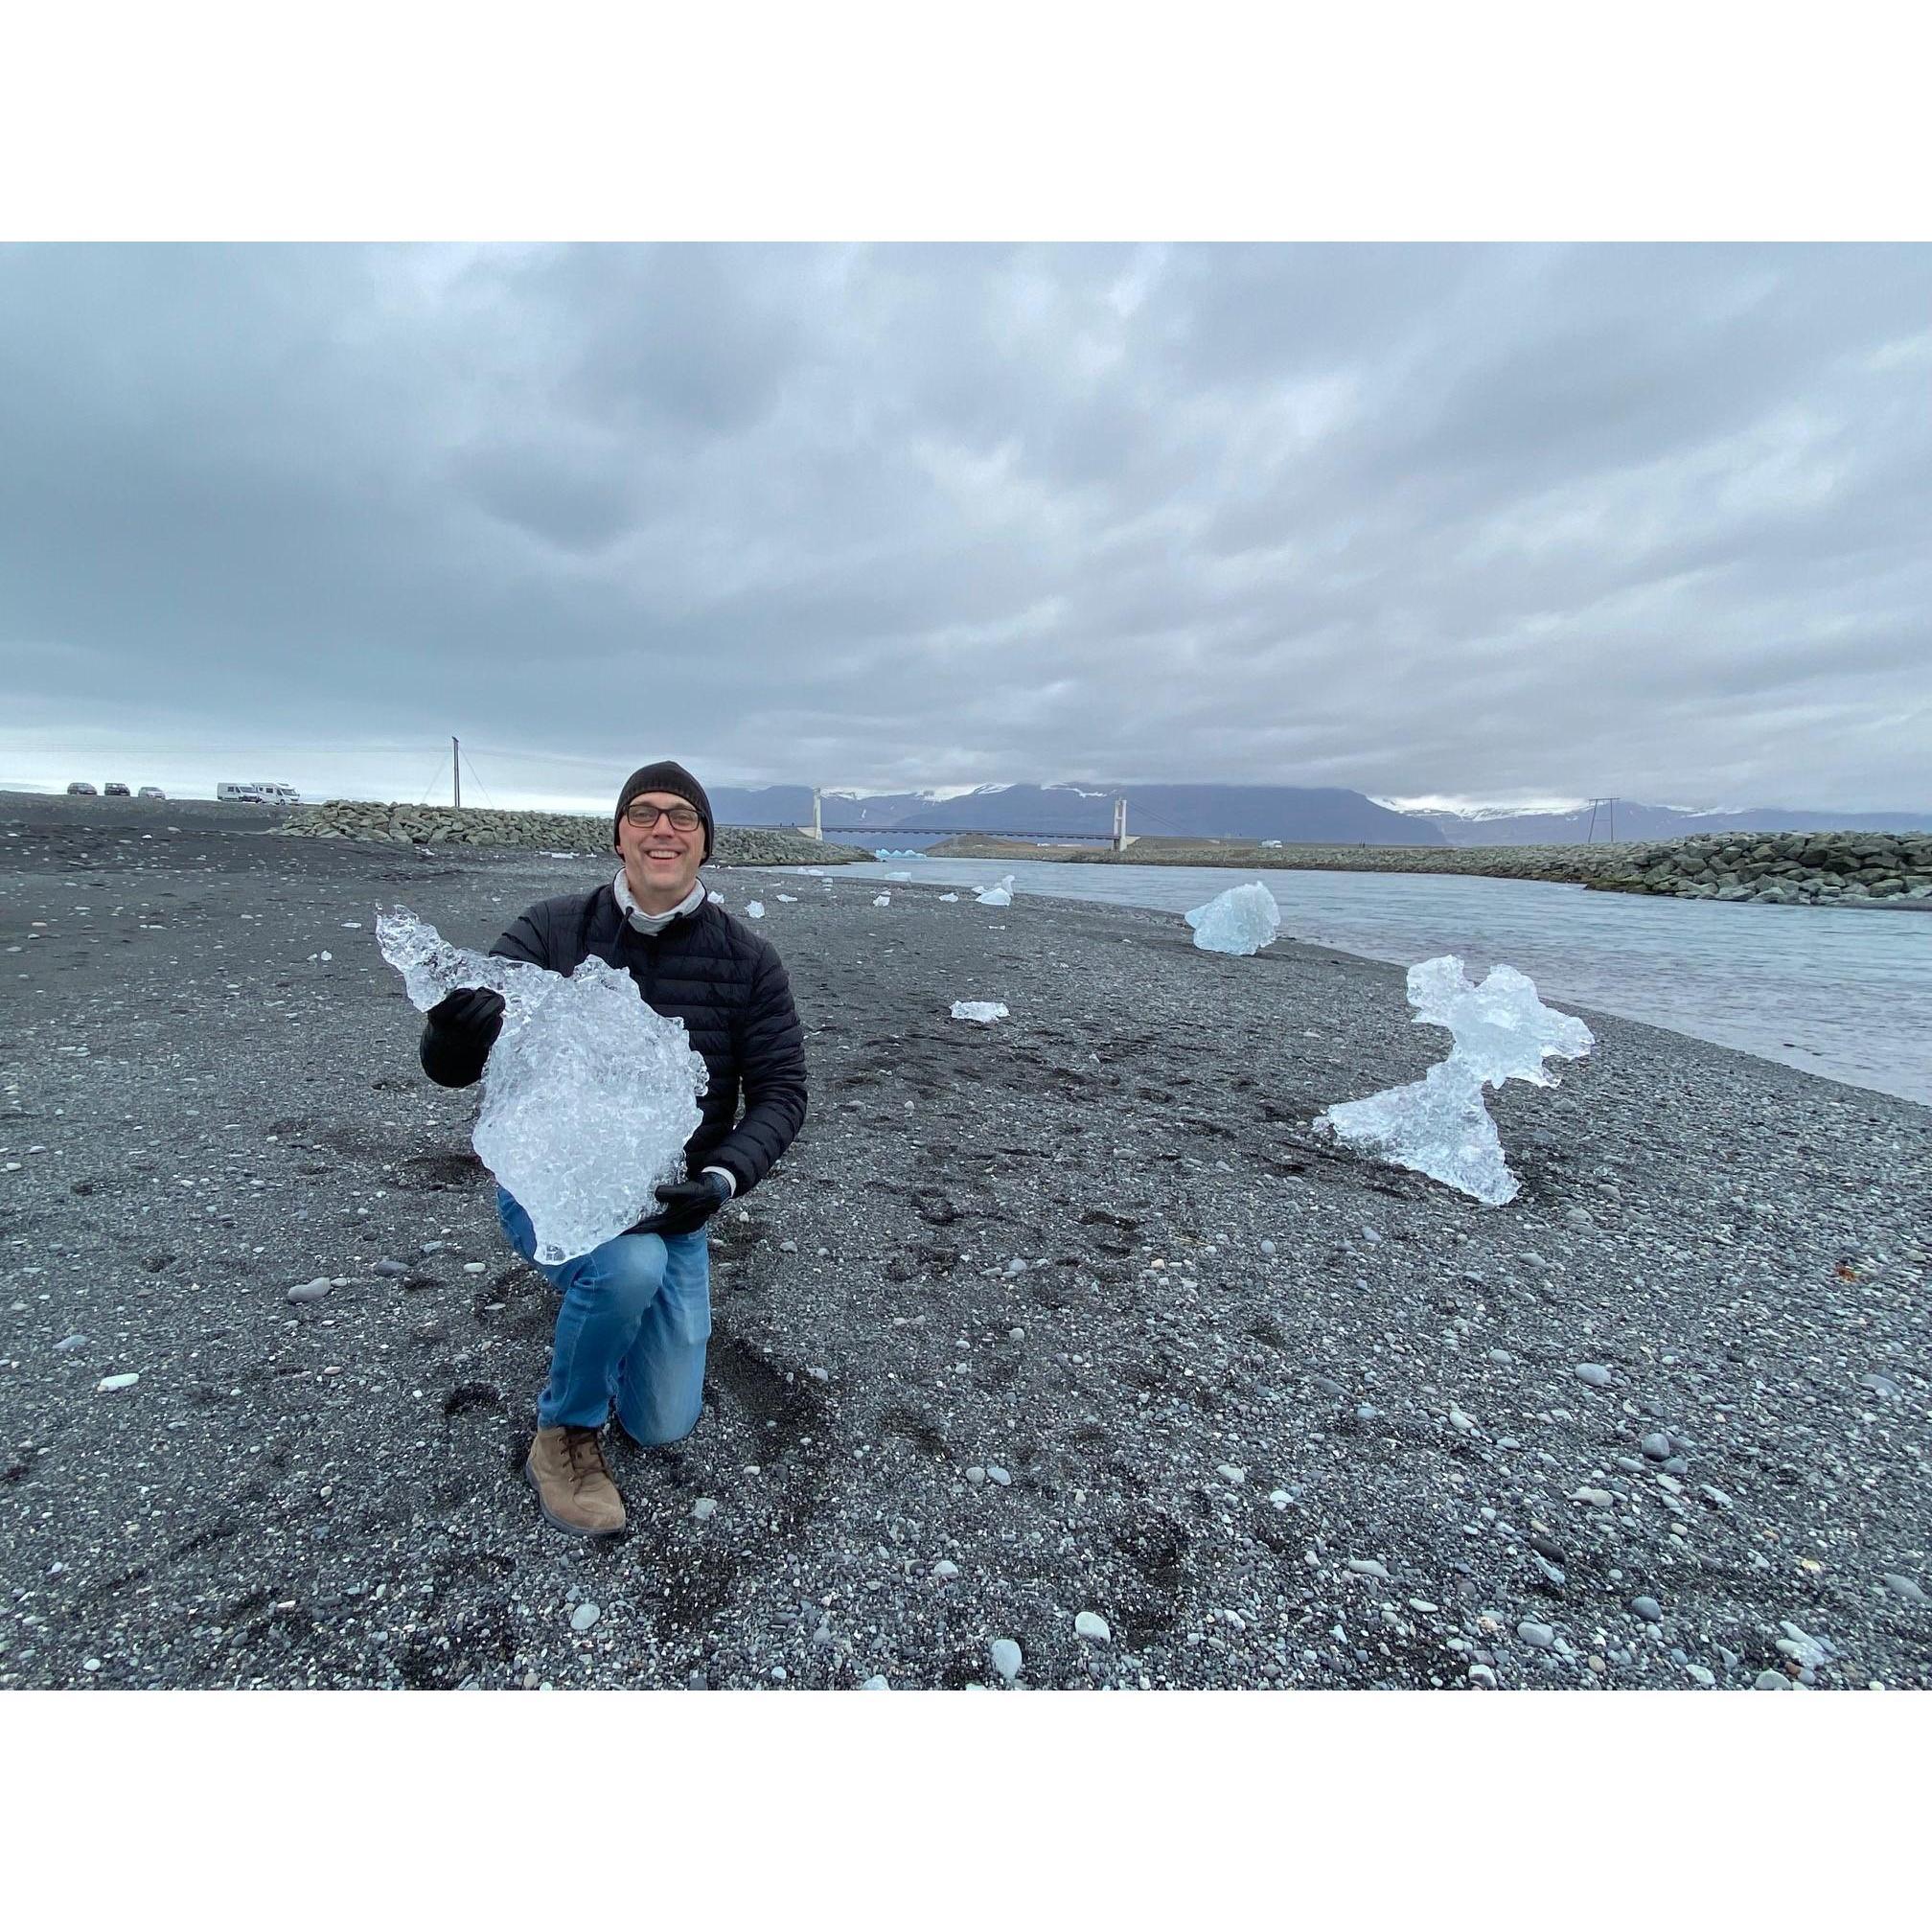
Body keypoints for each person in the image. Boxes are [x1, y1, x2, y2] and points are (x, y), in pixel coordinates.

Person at [417, 760, 808, 1538]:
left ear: (704, 846)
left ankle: (606, 1316)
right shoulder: (552, 929)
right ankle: (563, 1433)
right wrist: (447, 1041)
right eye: (643, 814)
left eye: (682, 817)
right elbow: (459, 1064)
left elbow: (781, 1094)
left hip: (672, 1206)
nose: (662, 828)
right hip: (556, 1191)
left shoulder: (749, 962)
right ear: (620, 837)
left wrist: (722, 1181)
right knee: (626, 1267)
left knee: (662, 1422)